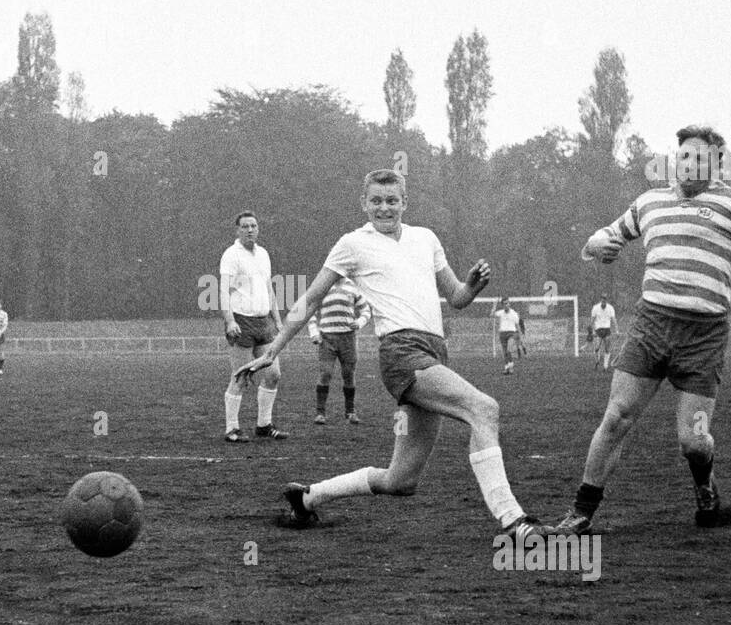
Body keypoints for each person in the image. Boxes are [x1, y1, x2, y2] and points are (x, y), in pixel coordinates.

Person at [235, 168, 551, 544]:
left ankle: (307, 497)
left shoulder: (426, 238)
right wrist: (274, 348)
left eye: (392, 200)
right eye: (376, 201)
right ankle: (514, 521)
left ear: (405, 202)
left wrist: (473, 284)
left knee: (400, 481)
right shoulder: (352, 243)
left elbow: (457, 298)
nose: (384, 208)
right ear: (364, 204)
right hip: (401, 354)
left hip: (434, 353)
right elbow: (311, 299)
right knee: (483, 408)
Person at [554, 125, 731, 533]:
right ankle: (580, 512)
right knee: (616, 418)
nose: (689, 164)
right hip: (651, 327)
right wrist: (597, 246)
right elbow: (604, 235)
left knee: (694, 441)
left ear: (717, 163)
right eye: (683, 156)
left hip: (703, 337)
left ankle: (705, 484)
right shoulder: (650, 202)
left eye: (699, 157)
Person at [219, 211, 288, 442]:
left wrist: (277, 320)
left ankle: (264, 425)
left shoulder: (264, 254)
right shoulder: (231, 255)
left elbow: (268, 289)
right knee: (241, 376)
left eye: (254, 226)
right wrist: (229, 321)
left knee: (273, 374)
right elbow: (223, 291)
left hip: (264, 322)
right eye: (245, 226)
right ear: (237, 230)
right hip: (242, 322)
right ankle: (232, 429)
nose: (250, 230)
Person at [307, 275, 371, 424]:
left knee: (348, 375)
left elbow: (366, 310)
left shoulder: (353, 286)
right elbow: (311, 312)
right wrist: (314, 333)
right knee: (325, 373)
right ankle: (320, 413)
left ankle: (350, 412)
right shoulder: (322, 286)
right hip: (327, 338)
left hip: (348, 338)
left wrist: (359, 322)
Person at [494, 297, 524, 375]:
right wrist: (494, 304)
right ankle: (507, 368)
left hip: (511, 333)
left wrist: (520, 337)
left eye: (508, 303)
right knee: (504, 353)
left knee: (508, 350)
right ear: (502, 305)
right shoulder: (500, 312)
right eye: (505, 304)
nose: (507, 305)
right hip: (502, 334)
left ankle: (511, 367)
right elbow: (491, 314)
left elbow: (517, 326)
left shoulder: (514, 313)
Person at [590, 295, 619, 371]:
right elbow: (592, 320)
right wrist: (592, 331)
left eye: (605, 299)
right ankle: (597, 361)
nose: (604, 301)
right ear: (600, 300)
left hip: (607, 329)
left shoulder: (610, 308)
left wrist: (617, 330)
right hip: (598, 330)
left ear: (607, 300)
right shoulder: (595, 308)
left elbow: (613, 319)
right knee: (596, 348)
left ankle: (605, 367)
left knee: (607, 348)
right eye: (603, 299)